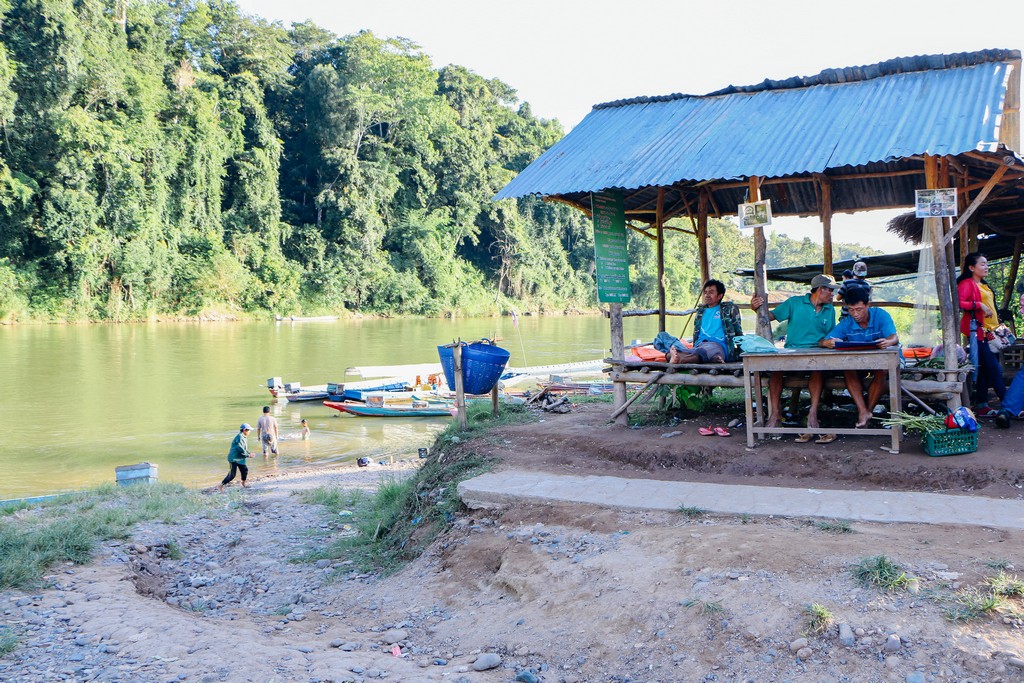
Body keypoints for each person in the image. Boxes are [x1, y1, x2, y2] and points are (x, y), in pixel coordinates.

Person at [750, 274, 839, 443]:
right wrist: (755, 308)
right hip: (792, 353)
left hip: (816, 354)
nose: (833, 294)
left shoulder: (830, 310)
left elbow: (831, 334)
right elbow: (770, 316)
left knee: (817, 371)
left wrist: (827, 342)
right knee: (776, 372)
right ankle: (775, 414)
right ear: (821, 290)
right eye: (831, 291)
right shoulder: (794, 303)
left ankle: (812, 415)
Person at [819, 287, 899, 427]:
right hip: (861, 363)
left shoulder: (881, 315)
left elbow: (894, 337)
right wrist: (828, 342)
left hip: (883, 363)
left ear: (868, 305)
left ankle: (868, 411)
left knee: (882, 371)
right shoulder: (847, 322)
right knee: (848, 370)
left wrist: (888, 341)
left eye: (859, 309)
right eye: (851, 309)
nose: (855, 314)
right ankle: (863, 411)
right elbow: (822, 341)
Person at [957, 252, 1006, 417]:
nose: (987, 266)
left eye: (987, 263)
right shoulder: (966, 283)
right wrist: (978, 305)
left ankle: (983, 405)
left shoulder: (983, 285)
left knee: (986, 369)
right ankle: (1009, 405)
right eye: (982, 264)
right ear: (971, 267)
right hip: (979, 332)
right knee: (995, 369)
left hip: (991, 332)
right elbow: (959, 302)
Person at [668, 279, 744, 364]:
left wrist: (741, 352)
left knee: (702, 352)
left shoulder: (728, 309)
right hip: (700, 345)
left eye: (711, 292)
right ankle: (676, 355)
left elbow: (738, 332)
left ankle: (680, 359)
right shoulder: (701, 311)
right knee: (662, 337)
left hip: (717, 345)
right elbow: (696, 334)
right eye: (705, 292)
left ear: (720, 296)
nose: (707, 295)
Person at [218, 424, 253, 491]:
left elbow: (244, 448)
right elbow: (240, 449)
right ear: (244, 430)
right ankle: (221, 485)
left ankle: (243, 483)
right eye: (249, 430)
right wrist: (248, 455)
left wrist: (249, 453)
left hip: (239, 458)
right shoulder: (240, 437)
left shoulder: (243, 436)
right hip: (234, 458)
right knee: (232, 475)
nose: (249, 432)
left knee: (244, 470)